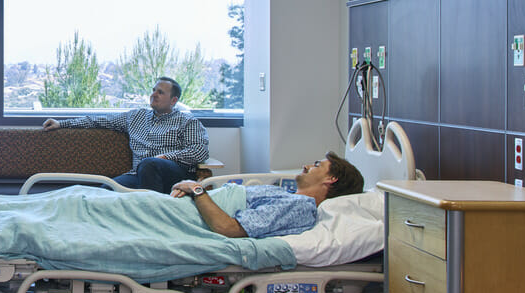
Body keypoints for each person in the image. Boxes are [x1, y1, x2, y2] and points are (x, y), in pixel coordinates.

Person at [42, 76, 209, 193]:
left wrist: (166, 157)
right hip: (138, 174)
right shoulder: (135, 116)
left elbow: (200, 151)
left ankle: (155, 215)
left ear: (173, 100)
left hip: (172, 174)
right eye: (154, 90)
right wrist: (62, 123)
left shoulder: (186, 120)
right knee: (106, 191)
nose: (154, 95)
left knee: (150, 164)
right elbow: (98, 121)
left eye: (160, 92)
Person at [170, 152, 364, 238]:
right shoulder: (290, 197)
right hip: (183, 206)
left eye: (317, 165)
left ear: (331, 178)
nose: (307, 166)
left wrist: (197, 190)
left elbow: (227, 228)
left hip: (186, 214)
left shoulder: (300, 206)